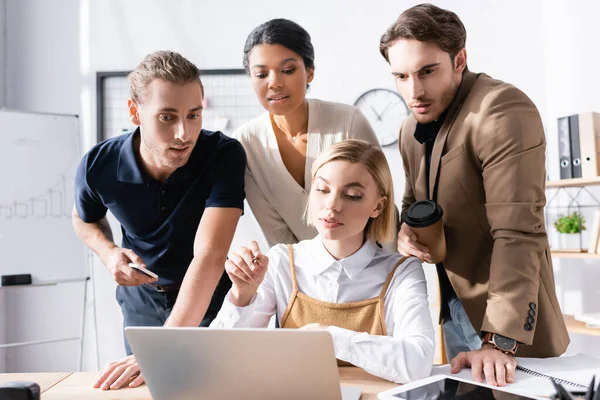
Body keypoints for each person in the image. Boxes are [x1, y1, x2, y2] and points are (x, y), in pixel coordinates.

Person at [379, 3, 569, 387]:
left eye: (427, 72)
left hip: (508, 325)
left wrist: (499, 339)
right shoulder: (407, 130)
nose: (414, 91)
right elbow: (412, 204)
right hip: (452, 309)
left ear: (459, 59)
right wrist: (403, 231)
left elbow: (519, 231)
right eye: (401, 76)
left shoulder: (500, 110)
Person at [72, 51, 246, 389]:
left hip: (210, 296)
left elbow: (209, 256)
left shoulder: (223, 155)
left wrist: (164, 346)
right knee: (151, 389)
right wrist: (109, 254)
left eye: (194, 115)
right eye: (167, 117)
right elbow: (83, 220)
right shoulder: (99, 164)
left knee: (214, 391)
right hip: (142, 301)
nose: (184, 133)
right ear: (135, 112)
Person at [211, 140, 435, 384]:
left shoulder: (402, 272)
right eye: (322, 190)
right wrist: (242, 295)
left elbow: (418, 362)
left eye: (352, 195)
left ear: (378, 206)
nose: (332, 206)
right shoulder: (281, 262)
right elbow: (220, 356)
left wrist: (329, 338)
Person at [233, 18, 381, 247]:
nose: (275, 83)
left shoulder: (349, 122)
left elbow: (381, 210)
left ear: (309, 72)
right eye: (261, 75)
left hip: (370, 264)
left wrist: (385, 270)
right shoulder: (246, 142)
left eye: (288, 70)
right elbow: (277, 235)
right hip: (301, 275)